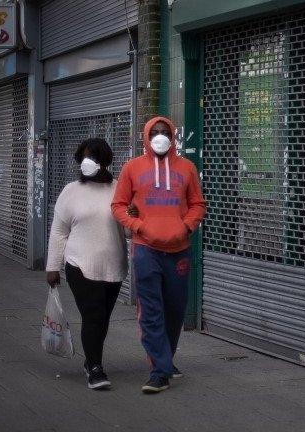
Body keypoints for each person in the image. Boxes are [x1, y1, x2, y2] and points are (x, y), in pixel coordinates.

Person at [111, 116, 206, 394]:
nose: (161, 136)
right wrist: (139, 226)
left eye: (165, 131)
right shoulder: (132, 168)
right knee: (151, 311)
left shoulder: (187, 168)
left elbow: (197, 203)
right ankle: (159, 371)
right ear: (147, 136)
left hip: (179, 251)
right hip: (146, 250)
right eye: (156, 132)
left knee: (175, 311)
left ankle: (165, 359)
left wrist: (186, 226)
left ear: (173, 135)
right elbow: (118, 205)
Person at [46, 138, 134, 390]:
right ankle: (95, 367)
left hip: (114, 266)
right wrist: (53, 266)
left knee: (103, 318)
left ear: (106, 161)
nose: (88, 162)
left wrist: (134, 217)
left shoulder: (120, 190)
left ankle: (92, 360)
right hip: (79, 265)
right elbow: (59, 232)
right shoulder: (70, 191)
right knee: (93, 314)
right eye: (84, 157)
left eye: (94, 158)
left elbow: (128, 233)